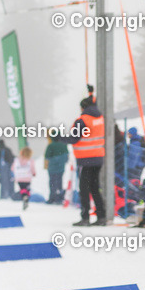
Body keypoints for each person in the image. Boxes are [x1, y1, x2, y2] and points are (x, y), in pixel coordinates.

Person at [57, 94, 106, 226]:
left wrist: (58, 137)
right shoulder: (100, 118)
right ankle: (101, 216)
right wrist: (91, 93)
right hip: (98, 158)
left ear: (83, 107)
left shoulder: (82, 120)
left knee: (84, 189)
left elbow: (74, 139)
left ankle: (85, 217)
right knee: (95, 188)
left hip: (85, 159)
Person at [44, 133, 69, 204]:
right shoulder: (64, 145)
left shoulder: (51, 145)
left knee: (52, 182)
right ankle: (59, 198)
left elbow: (47, 157)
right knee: (59, 182)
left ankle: (52, 198)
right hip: (61, 168)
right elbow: (67, 157)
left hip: (52, 168)